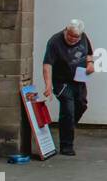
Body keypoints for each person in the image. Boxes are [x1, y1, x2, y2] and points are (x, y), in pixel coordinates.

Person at [40, 19, 95, 156]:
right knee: (68, 110)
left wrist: (90, 64)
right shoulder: (55, 41)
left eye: (76, 37)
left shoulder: (84, 37)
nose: (72, 39)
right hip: (61, 81)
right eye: (70, 35)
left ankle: (67, 126)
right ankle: (66, 146)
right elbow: (47, 64)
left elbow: (89, 53)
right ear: (66, 30)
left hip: (79, 79)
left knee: (81, 105)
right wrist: (48, 85)